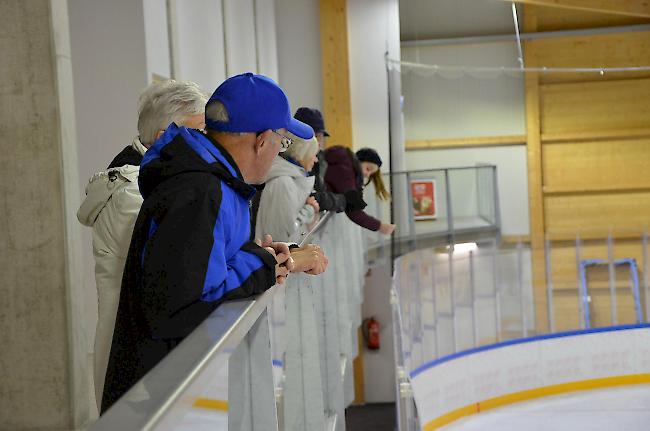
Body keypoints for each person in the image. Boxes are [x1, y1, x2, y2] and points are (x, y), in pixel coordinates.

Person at [101, 73, 328, 413]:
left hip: (178, 390)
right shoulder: (198, 190)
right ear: (261, 140)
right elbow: (185, 304)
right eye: (282, 143)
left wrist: (268, 258)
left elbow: (209, 263)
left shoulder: (216, 184)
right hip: (161, 401)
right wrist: (267, 265)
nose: (277, 154)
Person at [76, 80, 207, 409]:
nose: (209, 143)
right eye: (200, 132)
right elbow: (177, 267)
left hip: (143, 348)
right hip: (135, 353)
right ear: (166, 137)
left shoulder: (156, 180)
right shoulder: (133, 192)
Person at [255, 134, 320, 243]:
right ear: (303, 153)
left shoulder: (294, 182)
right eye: (313, 154)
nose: (316, 159)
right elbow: (281, 238)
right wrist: (309, 210)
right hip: (282, 258)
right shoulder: (283, 183)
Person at [324, 146, 395, 235]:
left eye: (370, 173)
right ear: (360, 160)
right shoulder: (345, 171)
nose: (367, 175)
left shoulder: (344, 165)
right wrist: (380, 226)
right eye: (368, 169)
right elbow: (354, 210)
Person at [293, 107, 349, 213]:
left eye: (320, 137)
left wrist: (323, 199)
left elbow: (341, 197)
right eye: (315, 136)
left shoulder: (323, 160)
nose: (318, 142)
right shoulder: (287, 160)